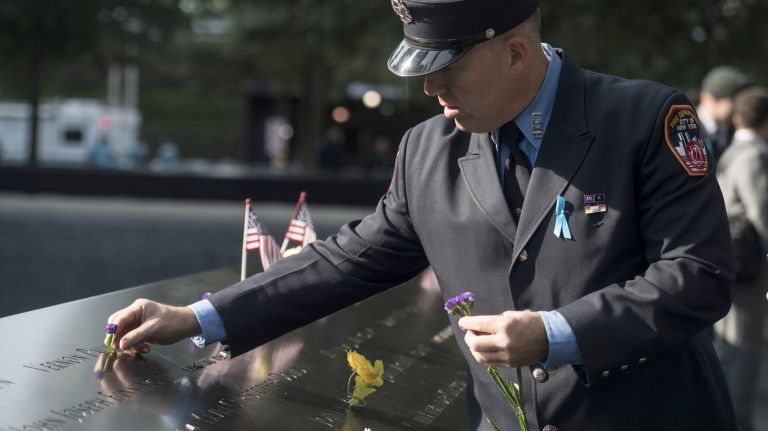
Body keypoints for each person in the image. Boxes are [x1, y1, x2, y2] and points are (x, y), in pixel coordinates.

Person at [105, 1, 736, 429]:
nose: (431, 91)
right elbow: (346, 259)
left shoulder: (644, 121)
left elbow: (698, 274)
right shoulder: (428, 149)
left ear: (516, 53)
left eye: (447, 69)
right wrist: (197, 316)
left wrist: (556, 333)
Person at [712, 87, 768, 431]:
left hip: (732, 267)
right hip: (747, 274)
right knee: (740, 356)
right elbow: (764, 216)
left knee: (730, 352)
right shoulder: (752, 157)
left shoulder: (734, 151)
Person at [697, 65, 752, 161]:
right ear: (711, 100)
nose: (739, 106)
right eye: (733, 100)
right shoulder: (688, 128)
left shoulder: (732, 130)